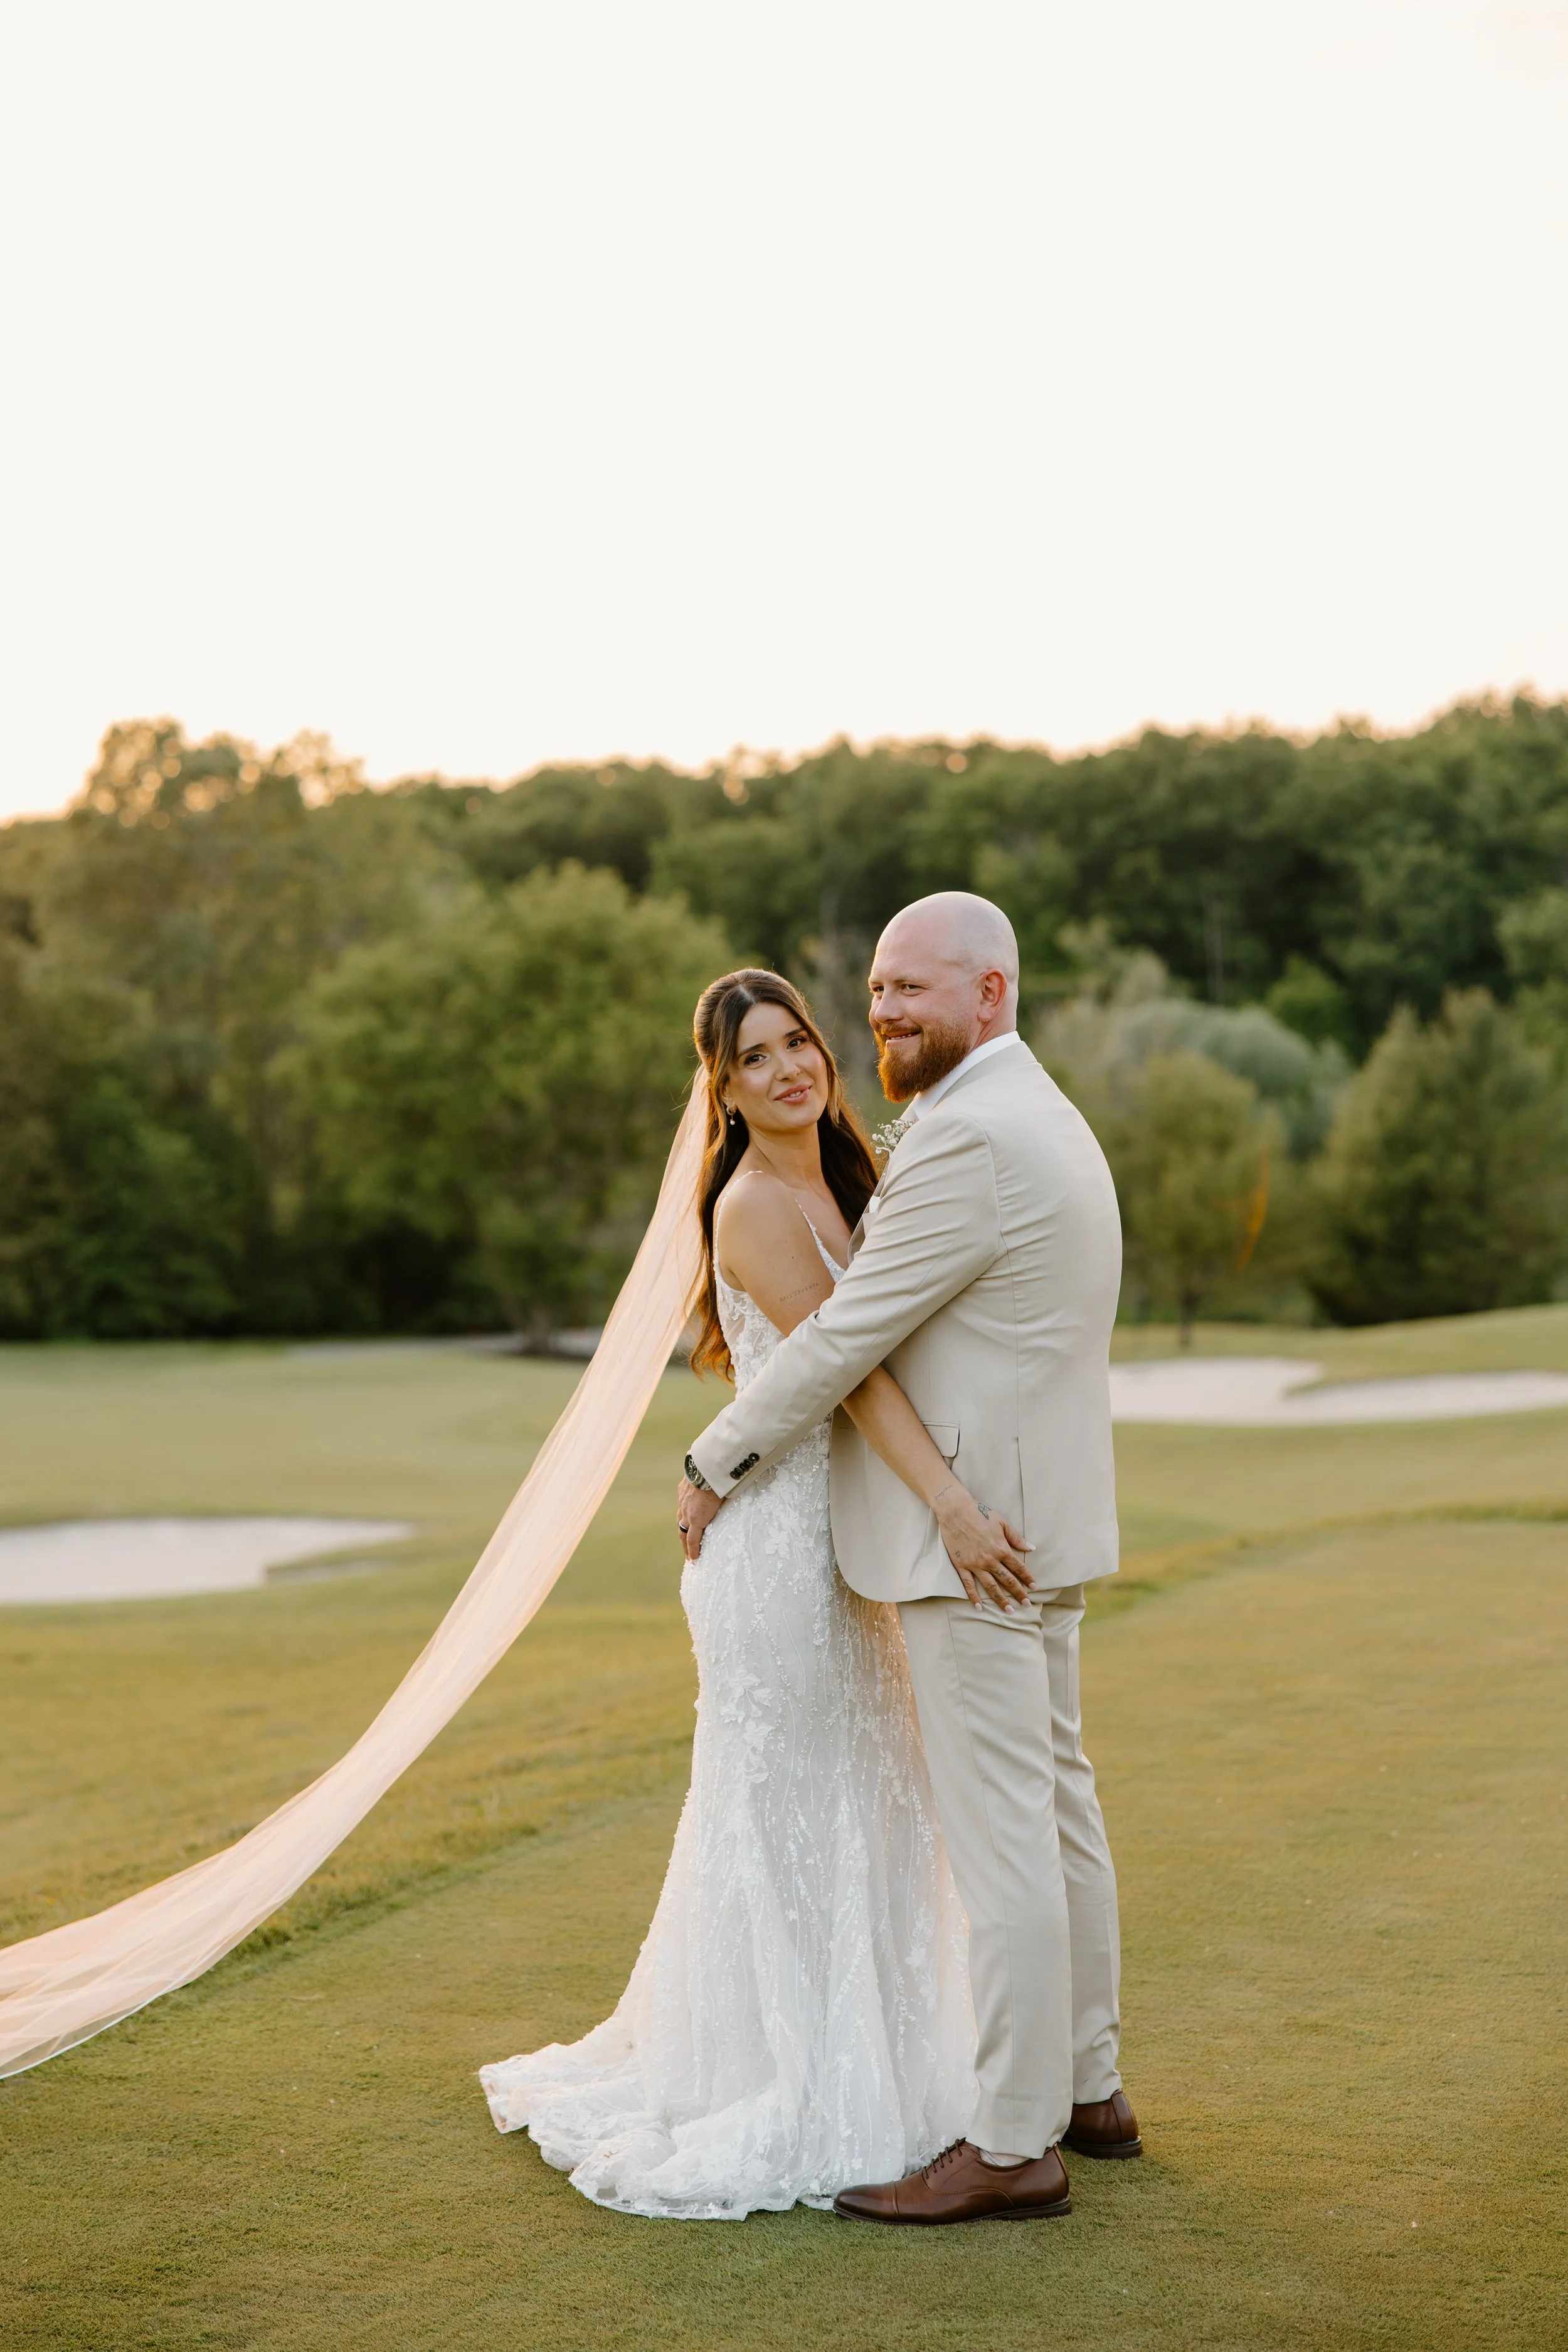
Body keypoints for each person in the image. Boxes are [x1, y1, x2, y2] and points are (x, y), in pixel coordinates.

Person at [480, 967, 1018, 2218]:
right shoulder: (754, 1208)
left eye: (796, 1042)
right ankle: (790, 2081)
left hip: (847, 1544)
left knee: (877, 1800)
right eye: (754, 1059)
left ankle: (898, 2067)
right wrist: (950, 1504)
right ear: (721, 1092)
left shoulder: (851, 1179)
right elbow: (849, 1374)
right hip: (776, 1554)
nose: (787, 1070)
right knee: (791, 1814)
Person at [678, 891, 1140, 2227]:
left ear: (989, 991)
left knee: (1005, 1843)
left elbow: (843, 1340)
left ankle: (1010, 2142)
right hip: (1030, 1518)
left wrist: (714, 1456)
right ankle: (1088, 2085)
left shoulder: (968, 1135)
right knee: (1056, 1807)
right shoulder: (1028, 1106)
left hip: (974, 1537)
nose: (881, 1011)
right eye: (875, 989)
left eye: (910, 989)